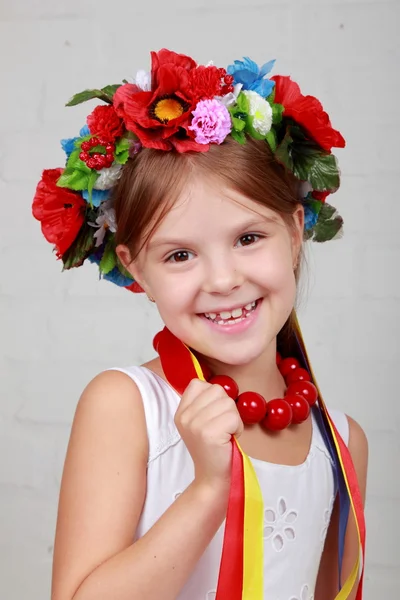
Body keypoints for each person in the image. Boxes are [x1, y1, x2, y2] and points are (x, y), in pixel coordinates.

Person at [32, 49, 368, 600]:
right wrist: (211, 489)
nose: (221, 279)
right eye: (180, 255)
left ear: (294, 230)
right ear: (136, 266)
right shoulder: (126, 407)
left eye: (248, 238)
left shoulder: (340, 442)